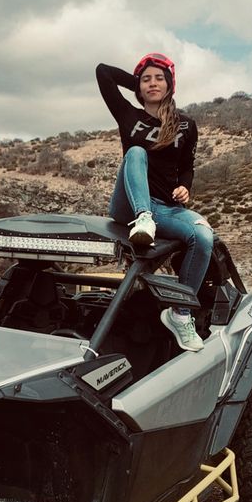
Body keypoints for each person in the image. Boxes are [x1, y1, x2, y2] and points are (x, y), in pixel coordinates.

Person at [96, 53, 213, 352]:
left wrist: (185, 187)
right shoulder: (128, 114)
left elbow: (187, 166)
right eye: (146, 79)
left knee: (203, 236)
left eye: (159, 78)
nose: (152, 83)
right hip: (129, 206)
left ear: (170, 84)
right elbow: (103, 71)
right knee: (136, 153)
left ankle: (180, 312)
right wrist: (135, 80)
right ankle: (143, 216)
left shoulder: (186, 125)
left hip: (165, 206)